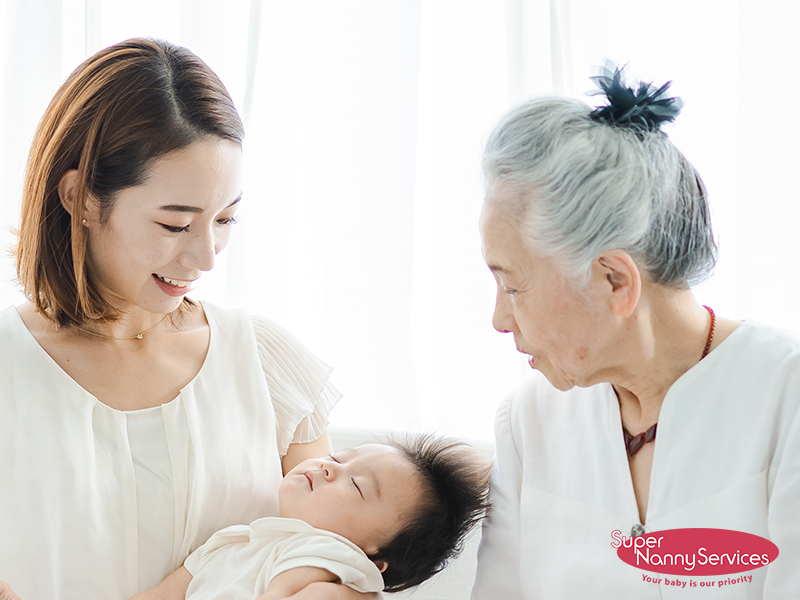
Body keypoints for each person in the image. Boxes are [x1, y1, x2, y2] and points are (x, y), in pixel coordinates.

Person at [0, 38, 353, 600]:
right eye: (175, 224)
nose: (207, 257)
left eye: (226, 219)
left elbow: (334, 554)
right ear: (81, 199)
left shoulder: (262, 361)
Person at [471, 66, 800, 598]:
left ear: (614, 279)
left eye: (512, 286)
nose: (499, 319)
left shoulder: (787, 396)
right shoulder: (528, 421)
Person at [126, 436, 490, 599]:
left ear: (374, 557)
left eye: (358, 486)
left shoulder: (332, 553)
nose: (330, 469)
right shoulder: (234, 540)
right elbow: (161, 594)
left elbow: (283, 593)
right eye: (338, 458)